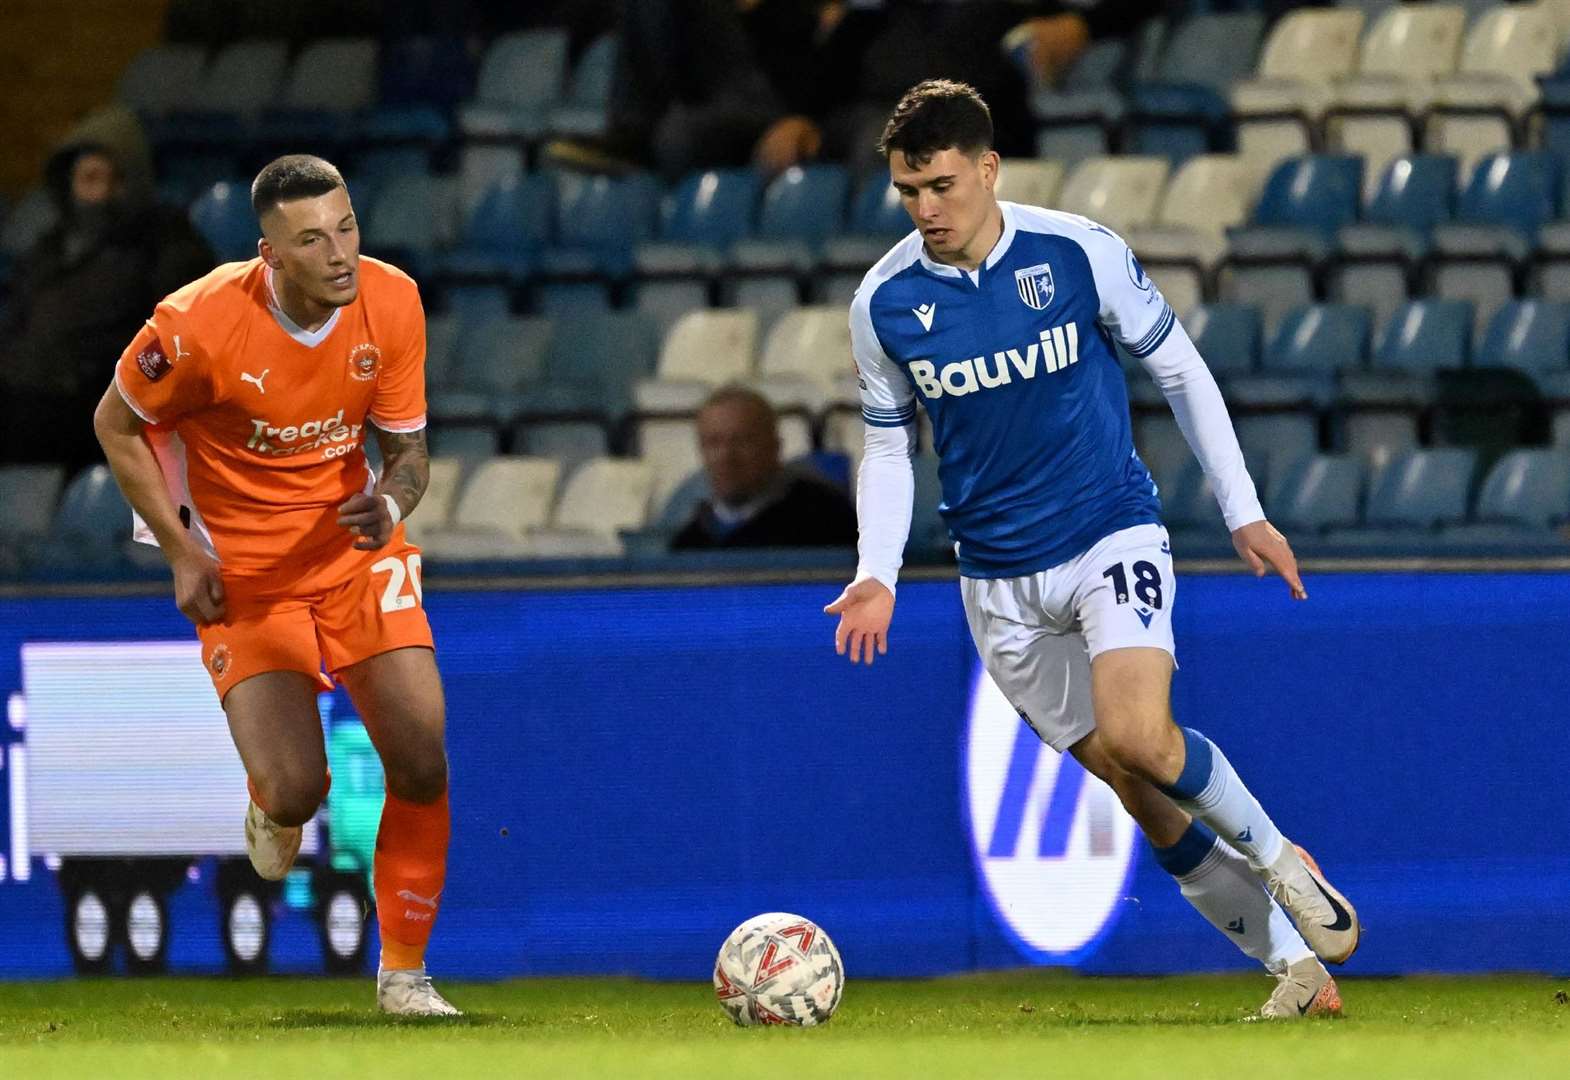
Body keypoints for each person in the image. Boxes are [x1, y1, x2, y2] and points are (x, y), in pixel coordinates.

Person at [824, 80, 1360, 1019]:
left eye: (942, 185)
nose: (927, 209)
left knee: (1141, 737)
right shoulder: (885, 302)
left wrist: (1243, 509)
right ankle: (1295, 969)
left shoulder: (1078, 252)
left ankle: (1282, 860)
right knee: (1134, 785)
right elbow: (885, 443)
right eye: (909, 192)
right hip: (994, 582)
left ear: (988, 168)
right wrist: (877, 573)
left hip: (1107, 531)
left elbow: (1179, 369)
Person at [92, 155, 458, 1016]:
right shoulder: (197, 324)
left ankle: (404, 977)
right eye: (312, 240)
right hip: (244, 578)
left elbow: (408, 456)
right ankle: (273, 803)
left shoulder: (391, 300)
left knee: (420, 754)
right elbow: (116, 421)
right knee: (299, 788)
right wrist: (183, 553)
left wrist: (390, 501)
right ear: (270, 254)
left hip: (350, 554)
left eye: (348, 228)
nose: (340, 254)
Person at [1, 105, 213, 474]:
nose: (98, 194)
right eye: (89, 178)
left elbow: (176, 340)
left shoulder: (167, 244)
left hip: (103, 404)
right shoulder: (48, 250)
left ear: (131, 181)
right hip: (29, 395)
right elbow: (17, 325)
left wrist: (93, 372)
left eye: (110, 179)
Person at [671, 385, 858, 549]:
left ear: (774, 446)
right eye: (713, 443)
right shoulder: (691, 541)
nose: (726, 456)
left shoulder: (824, 519)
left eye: (741, 441)